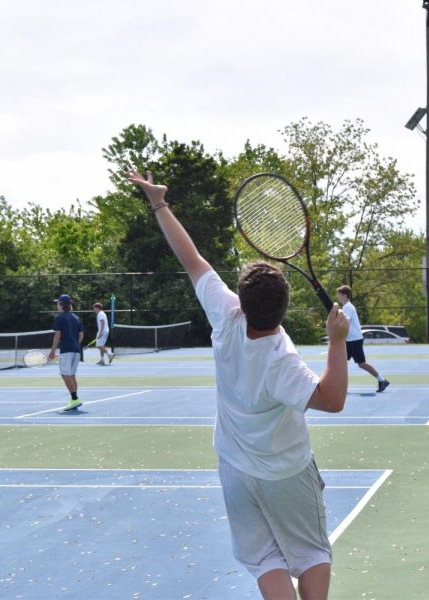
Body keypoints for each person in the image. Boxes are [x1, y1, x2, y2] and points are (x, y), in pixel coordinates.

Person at [129, 169, 349, 600]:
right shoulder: (281, 361)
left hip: (234, 467)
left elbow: (191, 259)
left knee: (265, 561)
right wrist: (337, 342)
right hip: (286, 470)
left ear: (243, 303)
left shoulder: (226, 317)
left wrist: (159, 202)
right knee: (309, 554)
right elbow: (333, 399)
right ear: (283, 309)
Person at [335, 286, 390, 393]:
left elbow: (345, 322)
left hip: (355, 340)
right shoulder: (345, 307)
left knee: (362, 364)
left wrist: (335, 321)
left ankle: (382, 380)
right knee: (340, 362)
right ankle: (339, 385)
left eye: (339, 294)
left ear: (345, 295)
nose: (338, 296)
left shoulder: (348, 307)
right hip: (349, 340)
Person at [48, 294, 84, 411]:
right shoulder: (76, 318)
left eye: (57, 303)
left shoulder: (59, 318)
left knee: (65, 374)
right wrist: (74, 344)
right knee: (71, 374)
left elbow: (57, 335)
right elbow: (81, 335)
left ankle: (75, 398)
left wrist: (52, 351)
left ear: (61, 305)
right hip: (76, 350)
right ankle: (74, 399)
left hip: (67, 350)